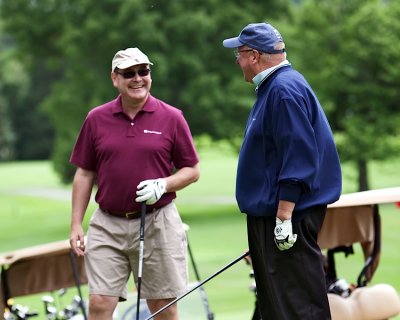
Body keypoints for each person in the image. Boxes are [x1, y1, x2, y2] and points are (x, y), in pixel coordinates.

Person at [69, 47, 200, 320]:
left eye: (144, 71)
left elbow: (192, 170)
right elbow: (84, 173)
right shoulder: (96, 119)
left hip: (157, 223)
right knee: (100, 303)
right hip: (107, 224)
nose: (138, 78)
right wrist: (75, 224)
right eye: (129, 73)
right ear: (115, 78)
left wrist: (163, 185)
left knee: (163, 307)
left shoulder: (171, 117)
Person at [222, 22, 342, 319]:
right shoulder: (276, 87)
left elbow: (299, 155)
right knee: (279, 306)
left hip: (289, 216)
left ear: (253, 56)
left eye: (238, 54)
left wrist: (284, 216)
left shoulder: (283, 90)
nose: (236, 61)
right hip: (277, 215)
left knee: (297, 305)